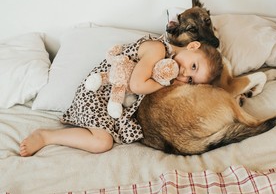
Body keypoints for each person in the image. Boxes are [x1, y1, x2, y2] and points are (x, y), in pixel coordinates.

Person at [19, 35, 223, 157]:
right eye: (193, 66)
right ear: (193, 46)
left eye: (190, 80)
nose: (185, 73)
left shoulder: (169, 64)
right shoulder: (157, 49)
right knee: (102, 143)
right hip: (99, 93)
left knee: (108, 139)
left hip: (116, 102)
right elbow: (136, 84)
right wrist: (165, 82)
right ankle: (46, 136)